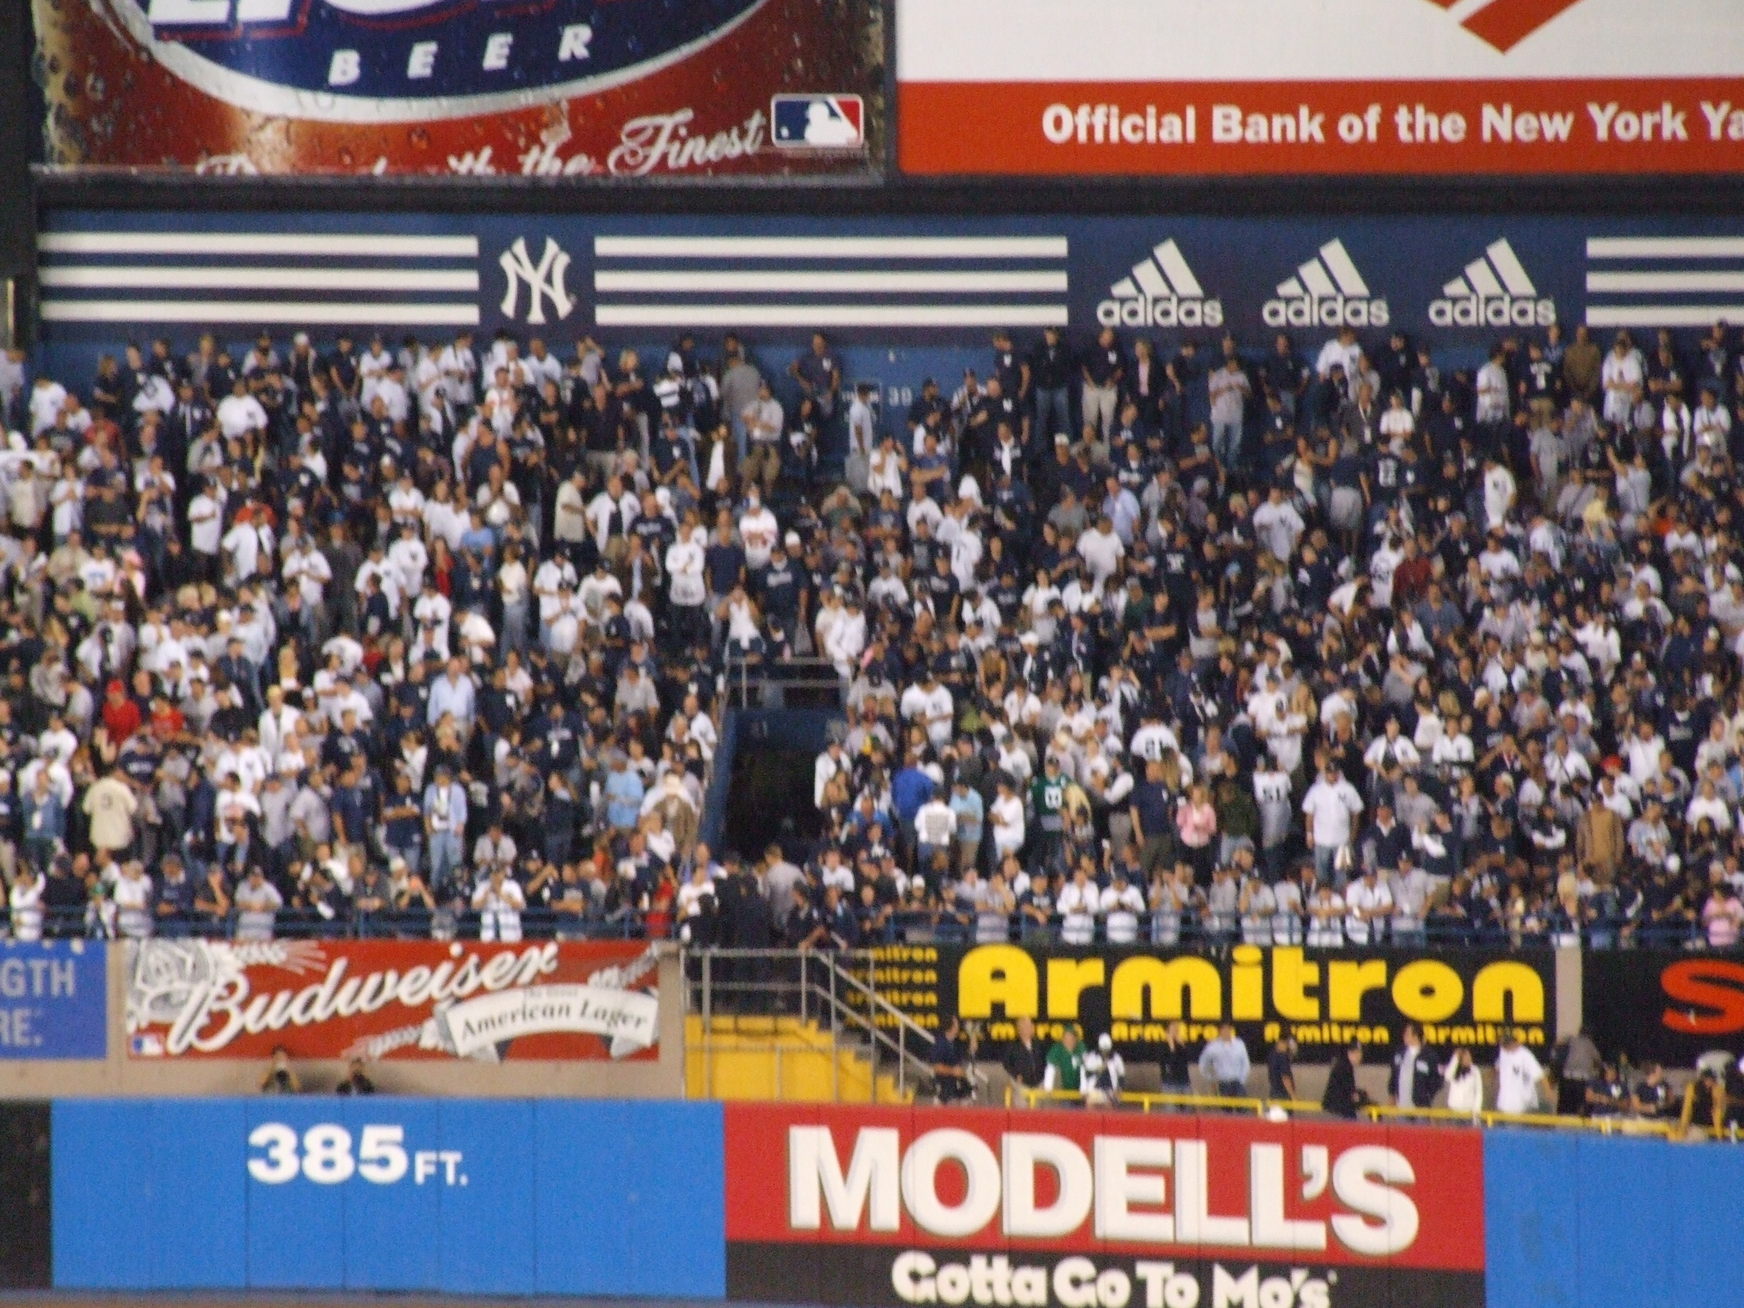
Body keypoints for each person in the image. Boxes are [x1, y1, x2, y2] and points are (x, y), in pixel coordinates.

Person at [1494, 1028, 1552, 1115]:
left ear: (1513, 1044)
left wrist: (1547, 1092)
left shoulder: (1525, 1056)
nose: (1503, 1048)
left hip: (1520, 1104)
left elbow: (1540, 1075)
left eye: (1505, 1046)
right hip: (1503, 1102)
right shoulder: (1503, 1052)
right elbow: (1498, 1067)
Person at [1391, 1023, 1442, 1111]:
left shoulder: (1429, 1056)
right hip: (1402, 1104)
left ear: (1416, 1036)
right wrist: (1392, 1094)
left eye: (1407, 1034)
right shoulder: (1399, 1053)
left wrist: (1427, 1096)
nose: (1404, 1036)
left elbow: (1437, 1079)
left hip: (1421, 1106)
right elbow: (1394, 1075)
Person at [1197, 1022, 1251, 1100]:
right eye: (1223, 1030)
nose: (1226, 1032)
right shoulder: (1213, 1046)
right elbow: (1203, 1063)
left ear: (1231, 1030)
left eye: (1228, 1029)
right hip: (1222, 1084)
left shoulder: (1239, 1044)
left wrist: (1242, 1080)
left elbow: (1245, 1063)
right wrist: (1210, 1078)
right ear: (1220, 1031)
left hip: (1238, 1083)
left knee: (1242, 1106)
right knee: (1225, 1107)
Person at [929, 1016, 975, 1104]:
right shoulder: (940, 1044)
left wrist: (971, 1033)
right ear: (952, 1027)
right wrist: (953, 1071)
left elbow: (972, 1049)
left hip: (958, 1088)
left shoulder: (956, 1042)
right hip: (945, 1089)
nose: (958, 1026)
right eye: (956, 1024)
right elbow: (937, 1067)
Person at [1322, 1040, 1373, 1119]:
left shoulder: (1345, 1065)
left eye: (1359, 1053)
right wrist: (1362, 1096)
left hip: (1338, 1107)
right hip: (1336, 1110)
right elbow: (1351, 1094)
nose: (1359, 1057)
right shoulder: (1345, 1067)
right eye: (1356, 1053)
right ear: (1350, 1053)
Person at [1002, 1015, 1048, 1091]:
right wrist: (1015, 1075)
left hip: (1039, 1083)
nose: (1031, 1028)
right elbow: (1006, 1063)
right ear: (1019, 1029)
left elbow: (1045, 1061)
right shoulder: (1012, 1045)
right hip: (1021, 1084)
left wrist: (1044, 1076)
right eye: (1026, 1027)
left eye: (1031, 1026)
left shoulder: (1039, 1044)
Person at [1081, 1033, 1125, 1107]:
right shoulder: (1092, 1057)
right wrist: (1083, 1090)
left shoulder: (1116, 1058)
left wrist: (1119, 1089)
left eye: (1107, 1050)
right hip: (1094, 1089)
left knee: (1109, 1104)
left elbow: (1121, 1075)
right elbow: (1086, 1074)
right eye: (1103, 1050)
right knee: (1090, 1103)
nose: (1105, 1052)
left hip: (1110, 1090)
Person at [1157, 1019, 1194, 1101]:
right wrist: (1172, 1048)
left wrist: (1182, 1045)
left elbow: (1190, 1058)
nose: (1176, 1032)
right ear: (1167, 1031)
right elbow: (1169, 1063)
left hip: (1184, 1081)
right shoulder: (1162, 1046)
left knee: (1188, 1107)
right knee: (1171, 1107)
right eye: (1173, 1029)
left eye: (1177, 1029)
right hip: (1170, 1082)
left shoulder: (1181, 1045)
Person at [1443, 1047, 1484, 1121]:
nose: (1468, 1059)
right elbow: (1447, 1076)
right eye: (1465, 1057)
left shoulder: (1475, 1070)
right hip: (1453, 1111)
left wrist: (1476, 1112)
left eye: (1469, 1057)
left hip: (1468, 1112)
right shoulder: (1454, 1069)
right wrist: (1455, 1059)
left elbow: (1479, 1091)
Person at [1042, 1024, 1083, 1095]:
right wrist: (1048, 1089)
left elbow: (1084, 1071)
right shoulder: (1056, 1050)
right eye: (1066, 1038)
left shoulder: (1080, 1049)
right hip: (1059, 1092)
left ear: (1075, 1039)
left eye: (1071, 1038)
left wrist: (1083, 1091)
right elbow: (1050, 1069)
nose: (1069, 1041)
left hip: (1077, 1092)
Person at [1266, 1034, 1298, 1103]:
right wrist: (1292, 1095)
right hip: (1283, 1095)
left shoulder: (1272, 1054)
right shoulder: (1282, 1057)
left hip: (1274, 1092)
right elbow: (1285, 1077)